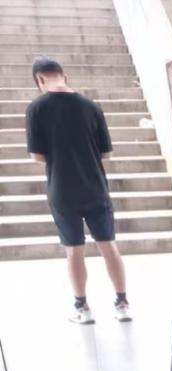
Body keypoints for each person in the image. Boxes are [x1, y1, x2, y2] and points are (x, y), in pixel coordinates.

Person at [26, 57, 131, 324]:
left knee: (74, 250)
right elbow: (106, 153)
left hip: (62, 189)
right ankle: (122, 304)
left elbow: (37, 156)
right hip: (95, 187)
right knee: (108, 246)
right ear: (64, 75)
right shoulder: (91, 106)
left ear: (40, 79)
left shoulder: (36, 108)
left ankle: (82, 308)